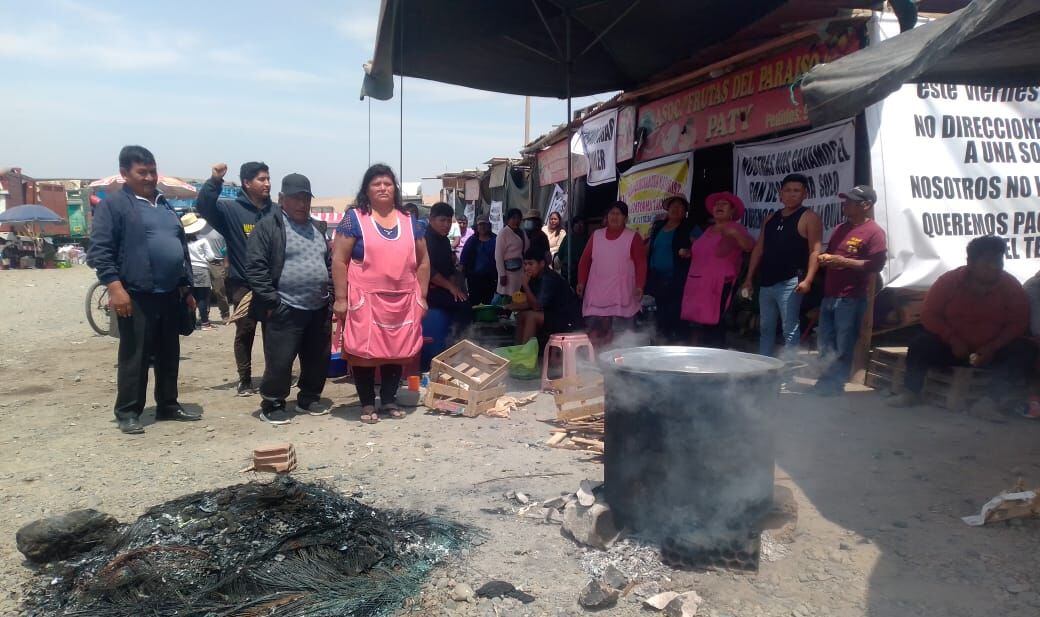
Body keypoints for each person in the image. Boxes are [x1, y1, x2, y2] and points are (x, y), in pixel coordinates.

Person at [87, 145, 200, 434]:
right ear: (125, 173)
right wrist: (115, 287)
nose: (149, 177)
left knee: (168, 353)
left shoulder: (164, 204)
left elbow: (180, 248)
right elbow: (100, 251)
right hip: (135, 293)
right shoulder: (114, 206)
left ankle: (168, 404)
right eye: (142, 172)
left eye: (152, 171)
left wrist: (186, 289)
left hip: (170, 293)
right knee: (135, 355)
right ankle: (128, 411)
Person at [889, 236, 1037, 408]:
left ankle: (990, 402)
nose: (995, 268)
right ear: (971, 262)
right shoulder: (948, 282)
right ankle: (910, 392)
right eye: (988, 262)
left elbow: (1018, 323)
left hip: (991, 353)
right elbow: (929, 315)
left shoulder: (1011, 286)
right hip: (952, 349)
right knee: (920, 343)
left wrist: (992, 347)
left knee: (1025, 350)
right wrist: (952, 340)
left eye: (999, 262)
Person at [333, 164, 429, 424]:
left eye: (388, 183)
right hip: (365, 299)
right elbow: (339, 260)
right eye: (377, 184)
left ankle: (388, 399)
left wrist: (422, 296)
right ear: (367, 189)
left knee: (396, 351)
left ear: (395, 188)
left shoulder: (410, 222)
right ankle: (366, 404)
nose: (383, 188)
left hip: (402, 299)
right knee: (364, 354)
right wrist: (341, 299)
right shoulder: (354, 219)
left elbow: (423, 262)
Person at [245, 173, 332, 424]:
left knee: (317, 357)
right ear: (282, 199)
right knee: (280, 359)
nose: (302, 204)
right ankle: (273, 402)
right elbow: (256, 267)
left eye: (306, 198)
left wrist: (332, 295)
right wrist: (272, 302)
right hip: (285, 306)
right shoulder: (268, 226)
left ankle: (309, 397)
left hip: (318, 306)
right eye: (296, 198)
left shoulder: (317, 228)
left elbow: (327, 263)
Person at [196, 161, 274, 396]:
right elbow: (204, 206)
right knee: (245, 331)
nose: (267, 183)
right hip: (243, 285)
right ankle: (245, 379)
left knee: (274, 333)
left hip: (271, 286)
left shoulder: (275, 211)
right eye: (262, 179)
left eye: (268, 178)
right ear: (246, 183)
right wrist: (214, 181)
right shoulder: (230, 210)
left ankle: (274, 376)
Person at [812, 186, 888, 395]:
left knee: (843, 344)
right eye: (846, 200)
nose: (845, 204)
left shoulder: (874, 232)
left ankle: (834, 385)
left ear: (866, 205)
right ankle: (823, 383)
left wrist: (843, 261)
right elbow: (834, 255)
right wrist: (828, 260)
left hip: (851, 298)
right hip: (830, 294)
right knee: (825, 343)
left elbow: (876, 265)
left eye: (851, 201)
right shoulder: (840, 228)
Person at [742, 173, 823, 358]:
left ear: (805, 194)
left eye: (797, 190)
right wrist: (748, 279)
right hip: (766, 282)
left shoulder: (809, 217)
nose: (791, 194)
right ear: (780, 193)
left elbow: (815, 251)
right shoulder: (770, 218)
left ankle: (788, 375)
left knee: (790, 330)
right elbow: (758, 249)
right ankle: (764, 369)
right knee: (765, 328)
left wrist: (808, 280)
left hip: (791, 282)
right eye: (787, 190)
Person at [681, 192, 755, 348]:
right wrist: (689, 253)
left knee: (715, 324)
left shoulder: (735, 228)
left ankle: (716, 360)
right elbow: (704, 254)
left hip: (719, 285)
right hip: (699, 283)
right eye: (717, 204)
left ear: (732, 211)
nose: (719, 207)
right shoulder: (708, 230)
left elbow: (749, 246)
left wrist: (735, 234)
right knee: (700, 323)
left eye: (724, 204)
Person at [577, 201, 648, 347]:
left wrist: (640, 285)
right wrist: (581, 282)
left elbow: (641, 264)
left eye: (619, 214)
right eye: (612, 213)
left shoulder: (633, 237)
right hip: (597, 296)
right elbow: (584, 261)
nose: (615, 217)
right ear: (607, 216)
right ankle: (593, 365)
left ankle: (621, 367)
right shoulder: (596, 235)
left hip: (622, 296)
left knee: (622, 340)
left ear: (626, 218)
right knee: (596, 337)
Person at [423, 202, 471, 370]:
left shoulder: (444, 241)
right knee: (462, 305)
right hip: (426, 292)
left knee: (464, 300)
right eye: (442, 220)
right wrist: (451, 288)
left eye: (449, 221)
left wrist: (456, 285)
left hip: (443, 288)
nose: (446, 225)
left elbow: (449, 269)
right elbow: (430, 271)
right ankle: (456, 348)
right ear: (431, 220)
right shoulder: (425, 239)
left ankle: (458, 346)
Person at [646, 196, 694, 343]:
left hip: (678, 280)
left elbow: (701, 246)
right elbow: (649, 249)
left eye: (680, 206)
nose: (676, 209)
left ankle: (680, 348)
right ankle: (662, 347)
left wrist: (690, 252)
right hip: (657, 280)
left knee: (677, 317)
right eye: (673, 206)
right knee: (661, 317)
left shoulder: (690, 227)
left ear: (685, 211)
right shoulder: (659, 227)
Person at [511, 248, 584, 344]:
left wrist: (525, 285)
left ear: (541, 264)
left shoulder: (548, 279)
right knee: (521, 315)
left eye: (531, 264)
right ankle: (518, 350)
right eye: (525, 264)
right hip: (551, 315)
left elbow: (536, 306)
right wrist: (507, 307)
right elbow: (530, 302)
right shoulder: (532, 277)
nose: (527, 268)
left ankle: (525, 354)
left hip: (567, 319)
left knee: (531, 316)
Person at [182, 213, 218, 331]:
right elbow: (211, 256)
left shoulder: (183, 243)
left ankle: (191, 322)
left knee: (191, 296)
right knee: (202, 298)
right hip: (202, 270)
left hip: (188, 270)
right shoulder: (202, 241)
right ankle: (204, 323)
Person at [460, 215, 497, 305]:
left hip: (490, 278)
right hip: (474, 278)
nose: (482, 227)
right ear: (477, 227)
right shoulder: (472, 240)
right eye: (480, 225)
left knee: (488, 302)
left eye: (485, 224)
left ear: (489, 226)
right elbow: (464, 258)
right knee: (474, 302)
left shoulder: (495, 239)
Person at [495, 208, 529, 298]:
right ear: (508, 219)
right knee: (507, 298)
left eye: (518, 218)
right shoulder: (503, 233)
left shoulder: (522, 232)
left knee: (519, 296)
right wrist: (502, 274)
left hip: (520, 270)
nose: (516, 221)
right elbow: (498, 256)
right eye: (513, 218)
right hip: (508, 272)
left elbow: (526, 249)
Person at [202, 226, 230, 322]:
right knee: (203, 290)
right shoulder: (197, 230)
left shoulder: (219, 229)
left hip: (217, 262)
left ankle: (225, 314)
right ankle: (204, 316)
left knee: (219, 290)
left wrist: (226, 263)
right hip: (201, 262)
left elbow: (226, 248)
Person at [556, 218, 588, 286]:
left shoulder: (587, 239)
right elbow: (560, 254)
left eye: (581, 224)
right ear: (573, 226)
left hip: (579, 271)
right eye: (577, 224)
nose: (579, 226)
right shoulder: (568, 238)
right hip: (566, 269)